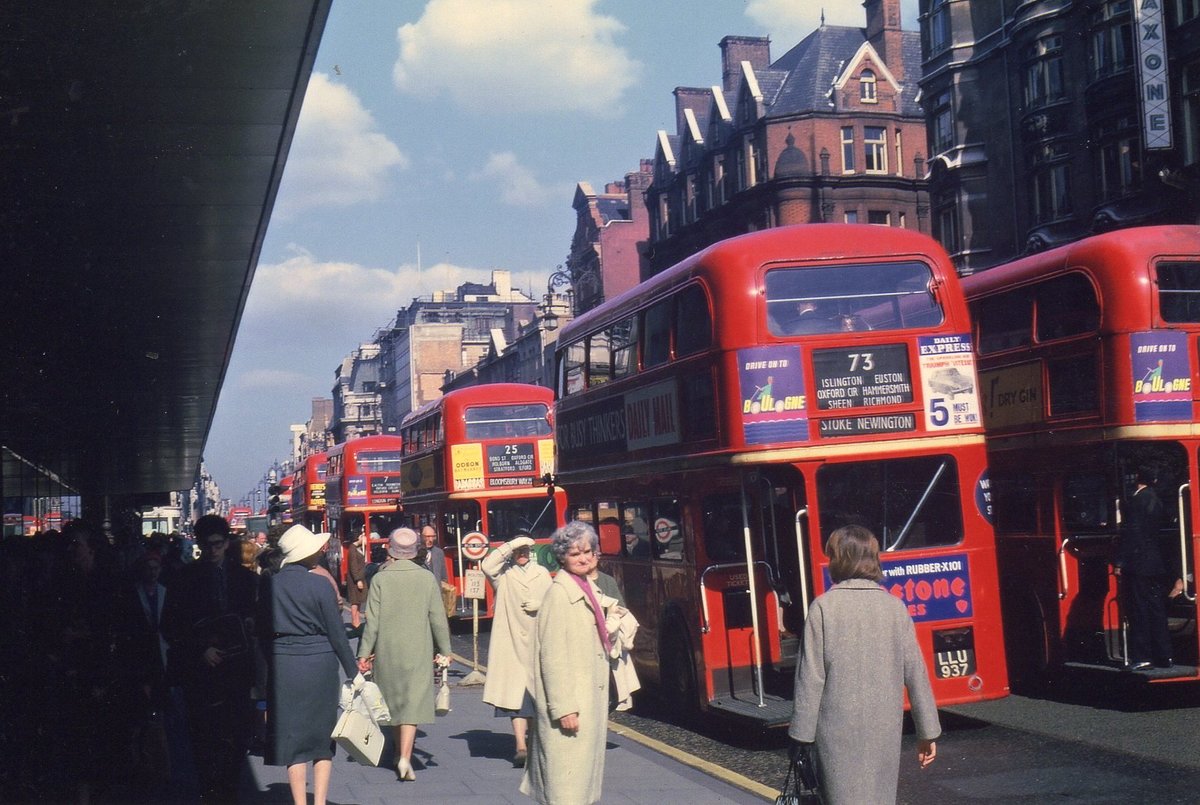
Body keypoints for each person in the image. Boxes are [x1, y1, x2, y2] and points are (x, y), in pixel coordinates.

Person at [788, 525, 939, 804]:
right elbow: (916, 673)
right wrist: (927, 732)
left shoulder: (823, 608)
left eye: (831, 555)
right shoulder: (895, 608)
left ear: (841, 560)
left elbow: (810, 678)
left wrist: (800, 736)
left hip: (836, 734)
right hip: (884, 732)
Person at [161, 514, 258, 803]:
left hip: (237, 671)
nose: (213, 550)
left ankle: (228, 792)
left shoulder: (246, 579)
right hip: (202, 673)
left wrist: (251, 624)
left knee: (237, 739)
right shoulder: (184, 579)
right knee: (204, 740)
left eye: (218, 544)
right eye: (208, 545)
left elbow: (258, 619)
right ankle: (211, 793)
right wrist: (199, 648)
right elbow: (169, 625)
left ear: (227, 543)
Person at [261, 524, 359, 805]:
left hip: (284, 665)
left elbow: (261, 631)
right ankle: (320, 802)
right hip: (320, 663)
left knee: (293, 740)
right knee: (321, 740)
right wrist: (353, 673)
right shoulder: (320, 584)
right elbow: (337, 633)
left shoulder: (271, 584)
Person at [521, 521, 616, 805]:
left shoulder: (584, 586)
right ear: (562, 557)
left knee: (576, 786)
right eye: (575, 554)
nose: (584, 558)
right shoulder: (560, 595)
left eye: (588, 551)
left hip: (585, 700)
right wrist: (563, 708)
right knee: (566, 790)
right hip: (572, 706)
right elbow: (552, 656)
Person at [356, 527, 452, 782]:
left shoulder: (380, 579)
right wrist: (445, 649)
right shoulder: (426, 578)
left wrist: (364, 653)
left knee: (395, 702)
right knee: (411, 704)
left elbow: (372, 622)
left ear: (391, 551)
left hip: (388, 649)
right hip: (418, 648)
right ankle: (405, 757)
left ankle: (399, 750)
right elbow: (437, 618)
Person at [481, 532, 552, 768]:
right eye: (517, 551)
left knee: (536, 697)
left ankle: (533, 743)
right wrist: (510, 544)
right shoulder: (504, 574)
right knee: (516, 699)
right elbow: (487, 565)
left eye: (525, 550)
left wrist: (540, 605)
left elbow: (554, 603)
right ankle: (520, 746)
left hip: (536, 642)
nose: (521, 555)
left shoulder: (542, 574)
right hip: (511, 645)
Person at [1115, 466, 1173, 669]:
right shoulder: (1156, 499)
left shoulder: (1136, 501)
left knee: (1139, 610)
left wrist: (1120, 561)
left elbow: (1132, 535)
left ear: (1137, 478)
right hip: (1155, 564)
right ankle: (1164, 655)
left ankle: (1143, 657)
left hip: (1138, 564)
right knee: (1156, 609)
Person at [346, 530, 369, 628]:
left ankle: (357, 620)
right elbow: (353, 566)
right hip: (355, 580)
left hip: (360, 577)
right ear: (357, 537)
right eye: (362, 536)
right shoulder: (352, 549)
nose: (364, 538)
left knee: (358, 600)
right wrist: (357, 579)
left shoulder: (358, 548)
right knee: (354, 601)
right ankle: (355, 621)